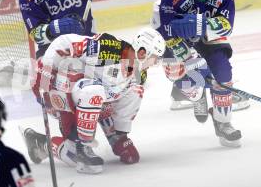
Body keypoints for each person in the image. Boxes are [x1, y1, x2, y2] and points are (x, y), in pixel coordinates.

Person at [24, 28, 166, 174]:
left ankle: (116, 136)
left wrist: (118, 128)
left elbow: (121, 95)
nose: (156, 63)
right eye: (155, 57)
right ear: (143, 52)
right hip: (63, 92)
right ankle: (56, 144)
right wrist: (46, 70)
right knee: (72, 155)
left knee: (135, 91)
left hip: (95, 99)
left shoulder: (139, 73)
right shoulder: (108, 48)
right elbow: (66, 42)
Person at [156, 0, 242, 147]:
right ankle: (197, 94)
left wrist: (199, 24)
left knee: (223, 71)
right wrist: (190, 58)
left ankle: (223, 123)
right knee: (186, 78)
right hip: (176, 40)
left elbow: (227, 25)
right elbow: (166, 29)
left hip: (206, 36)